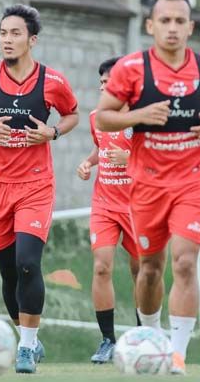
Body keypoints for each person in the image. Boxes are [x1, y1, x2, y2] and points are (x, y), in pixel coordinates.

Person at [95, 0, 200, 375]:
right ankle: (151, 339)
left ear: (190, 27)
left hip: (193, 182)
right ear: (150, 25)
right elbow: (103, 117)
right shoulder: (130, 70)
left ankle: (176, 354)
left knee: (186, 263)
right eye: (165, 21)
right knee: (150, 269)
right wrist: (138, 115)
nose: (172, 29)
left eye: (179, 21)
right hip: (147, 185)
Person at [0, 4, 79, 374]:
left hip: (36, 185)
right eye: (3, 33)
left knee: (27, 263)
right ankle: (31, 339)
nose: (7, 40)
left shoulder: (52, 81)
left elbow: (71, 114)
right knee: (8, 271)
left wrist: (52, 132)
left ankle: (24, 347)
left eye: (15, 33)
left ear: (32, 39)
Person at [76, 57, 140, 364]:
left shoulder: (142, 120)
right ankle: (107, 341)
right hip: (104, 204)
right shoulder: (95, 117)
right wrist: (89, 162)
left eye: (109, 83)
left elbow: (158, 161)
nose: (104, 88)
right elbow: (101, 147)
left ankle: (145, 335)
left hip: (139, 206)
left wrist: (128, 161)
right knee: (101, 267)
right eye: (101, 83)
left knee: (143, 272)